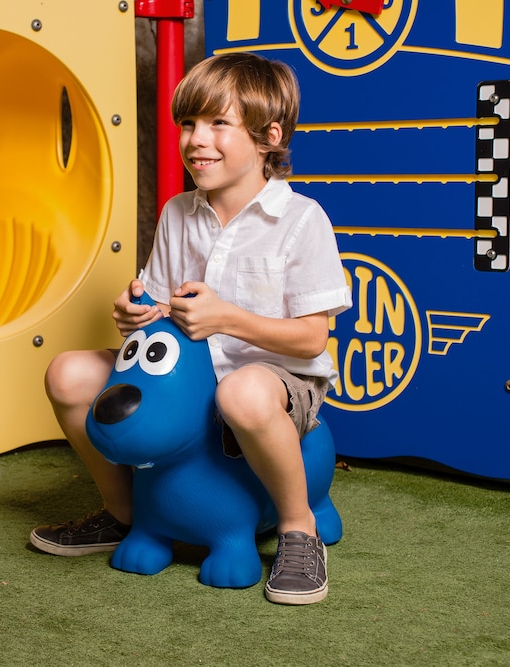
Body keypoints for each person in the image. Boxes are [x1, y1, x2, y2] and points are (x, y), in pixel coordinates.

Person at [29, 52, 352, 605]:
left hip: (273, 384)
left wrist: (227, 318)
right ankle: (122, 513)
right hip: (183, 381)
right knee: (68, 374)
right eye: (188, 123)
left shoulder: (301, 219)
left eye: (218, 123)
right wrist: (136, 314)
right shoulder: (178, 212)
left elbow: (311, 339)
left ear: (269, 137)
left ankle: (299, 530)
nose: (196, 139)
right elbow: (159, 309)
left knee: (241, 392)